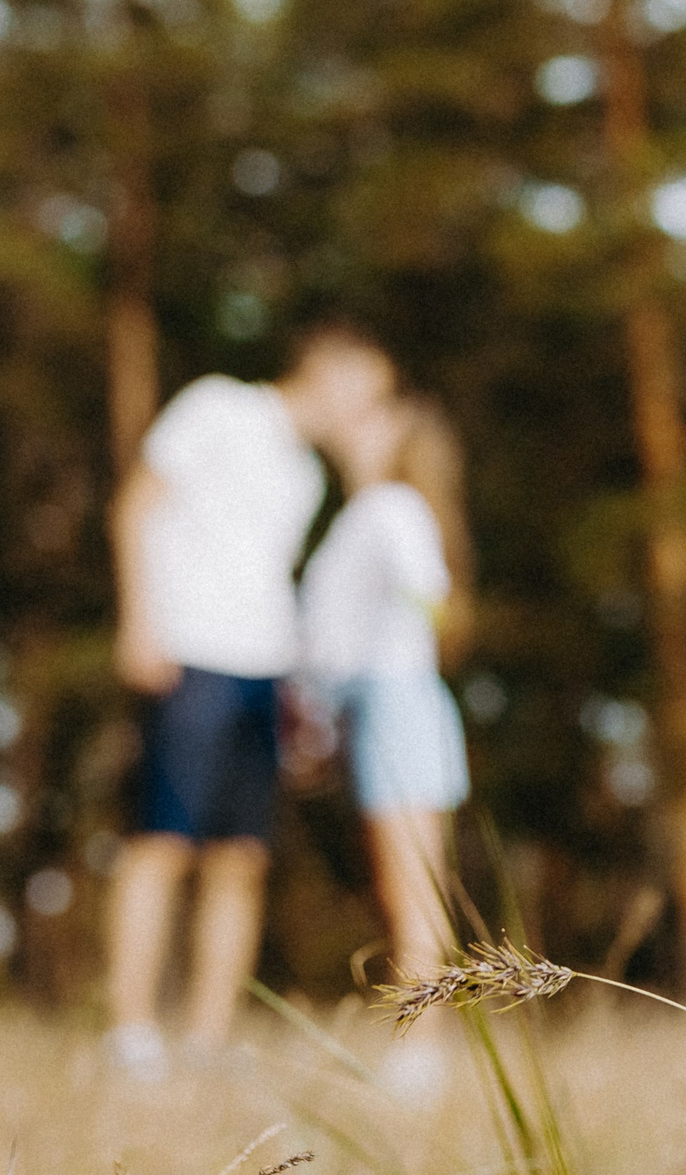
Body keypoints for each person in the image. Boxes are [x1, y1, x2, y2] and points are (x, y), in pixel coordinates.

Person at [103, 322, 394, 1075]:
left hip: (264, 673)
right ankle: (130, 1033)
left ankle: (207, 1041)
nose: (371, 411)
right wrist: (141, 623)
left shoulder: (310, 476)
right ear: (326, 368)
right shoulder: (217, 408)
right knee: (162, 843)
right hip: (188, 653)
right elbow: (137, 505)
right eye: (369, 391)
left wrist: (302, 700)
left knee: (242, 859)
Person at [299, 393, 472, 992]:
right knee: (399, 883)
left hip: (397, 699)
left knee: (412, 886)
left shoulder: (392, 507)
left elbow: (429, 592)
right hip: (376, 705)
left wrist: (401, 641)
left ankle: (423, 1053)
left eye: (374, 416)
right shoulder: (369, 511)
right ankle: (422, 1045)